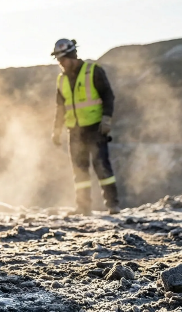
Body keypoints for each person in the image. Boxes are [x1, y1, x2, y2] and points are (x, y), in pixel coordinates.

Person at [50, 39, 121, 215]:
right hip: (74, 130)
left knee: (102, 167)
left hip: (95, 128)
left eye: (62, 60)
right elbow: (60, 107)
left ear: (72, 56)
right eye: (59, 61)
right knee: (80, 171)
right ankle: (83, 207)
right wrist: (57, 130)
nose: (61, 64)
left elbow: (108, 96)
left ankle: (112, 205)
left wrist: (106, 119)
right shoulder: (61, 79)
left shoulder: (93, 72)